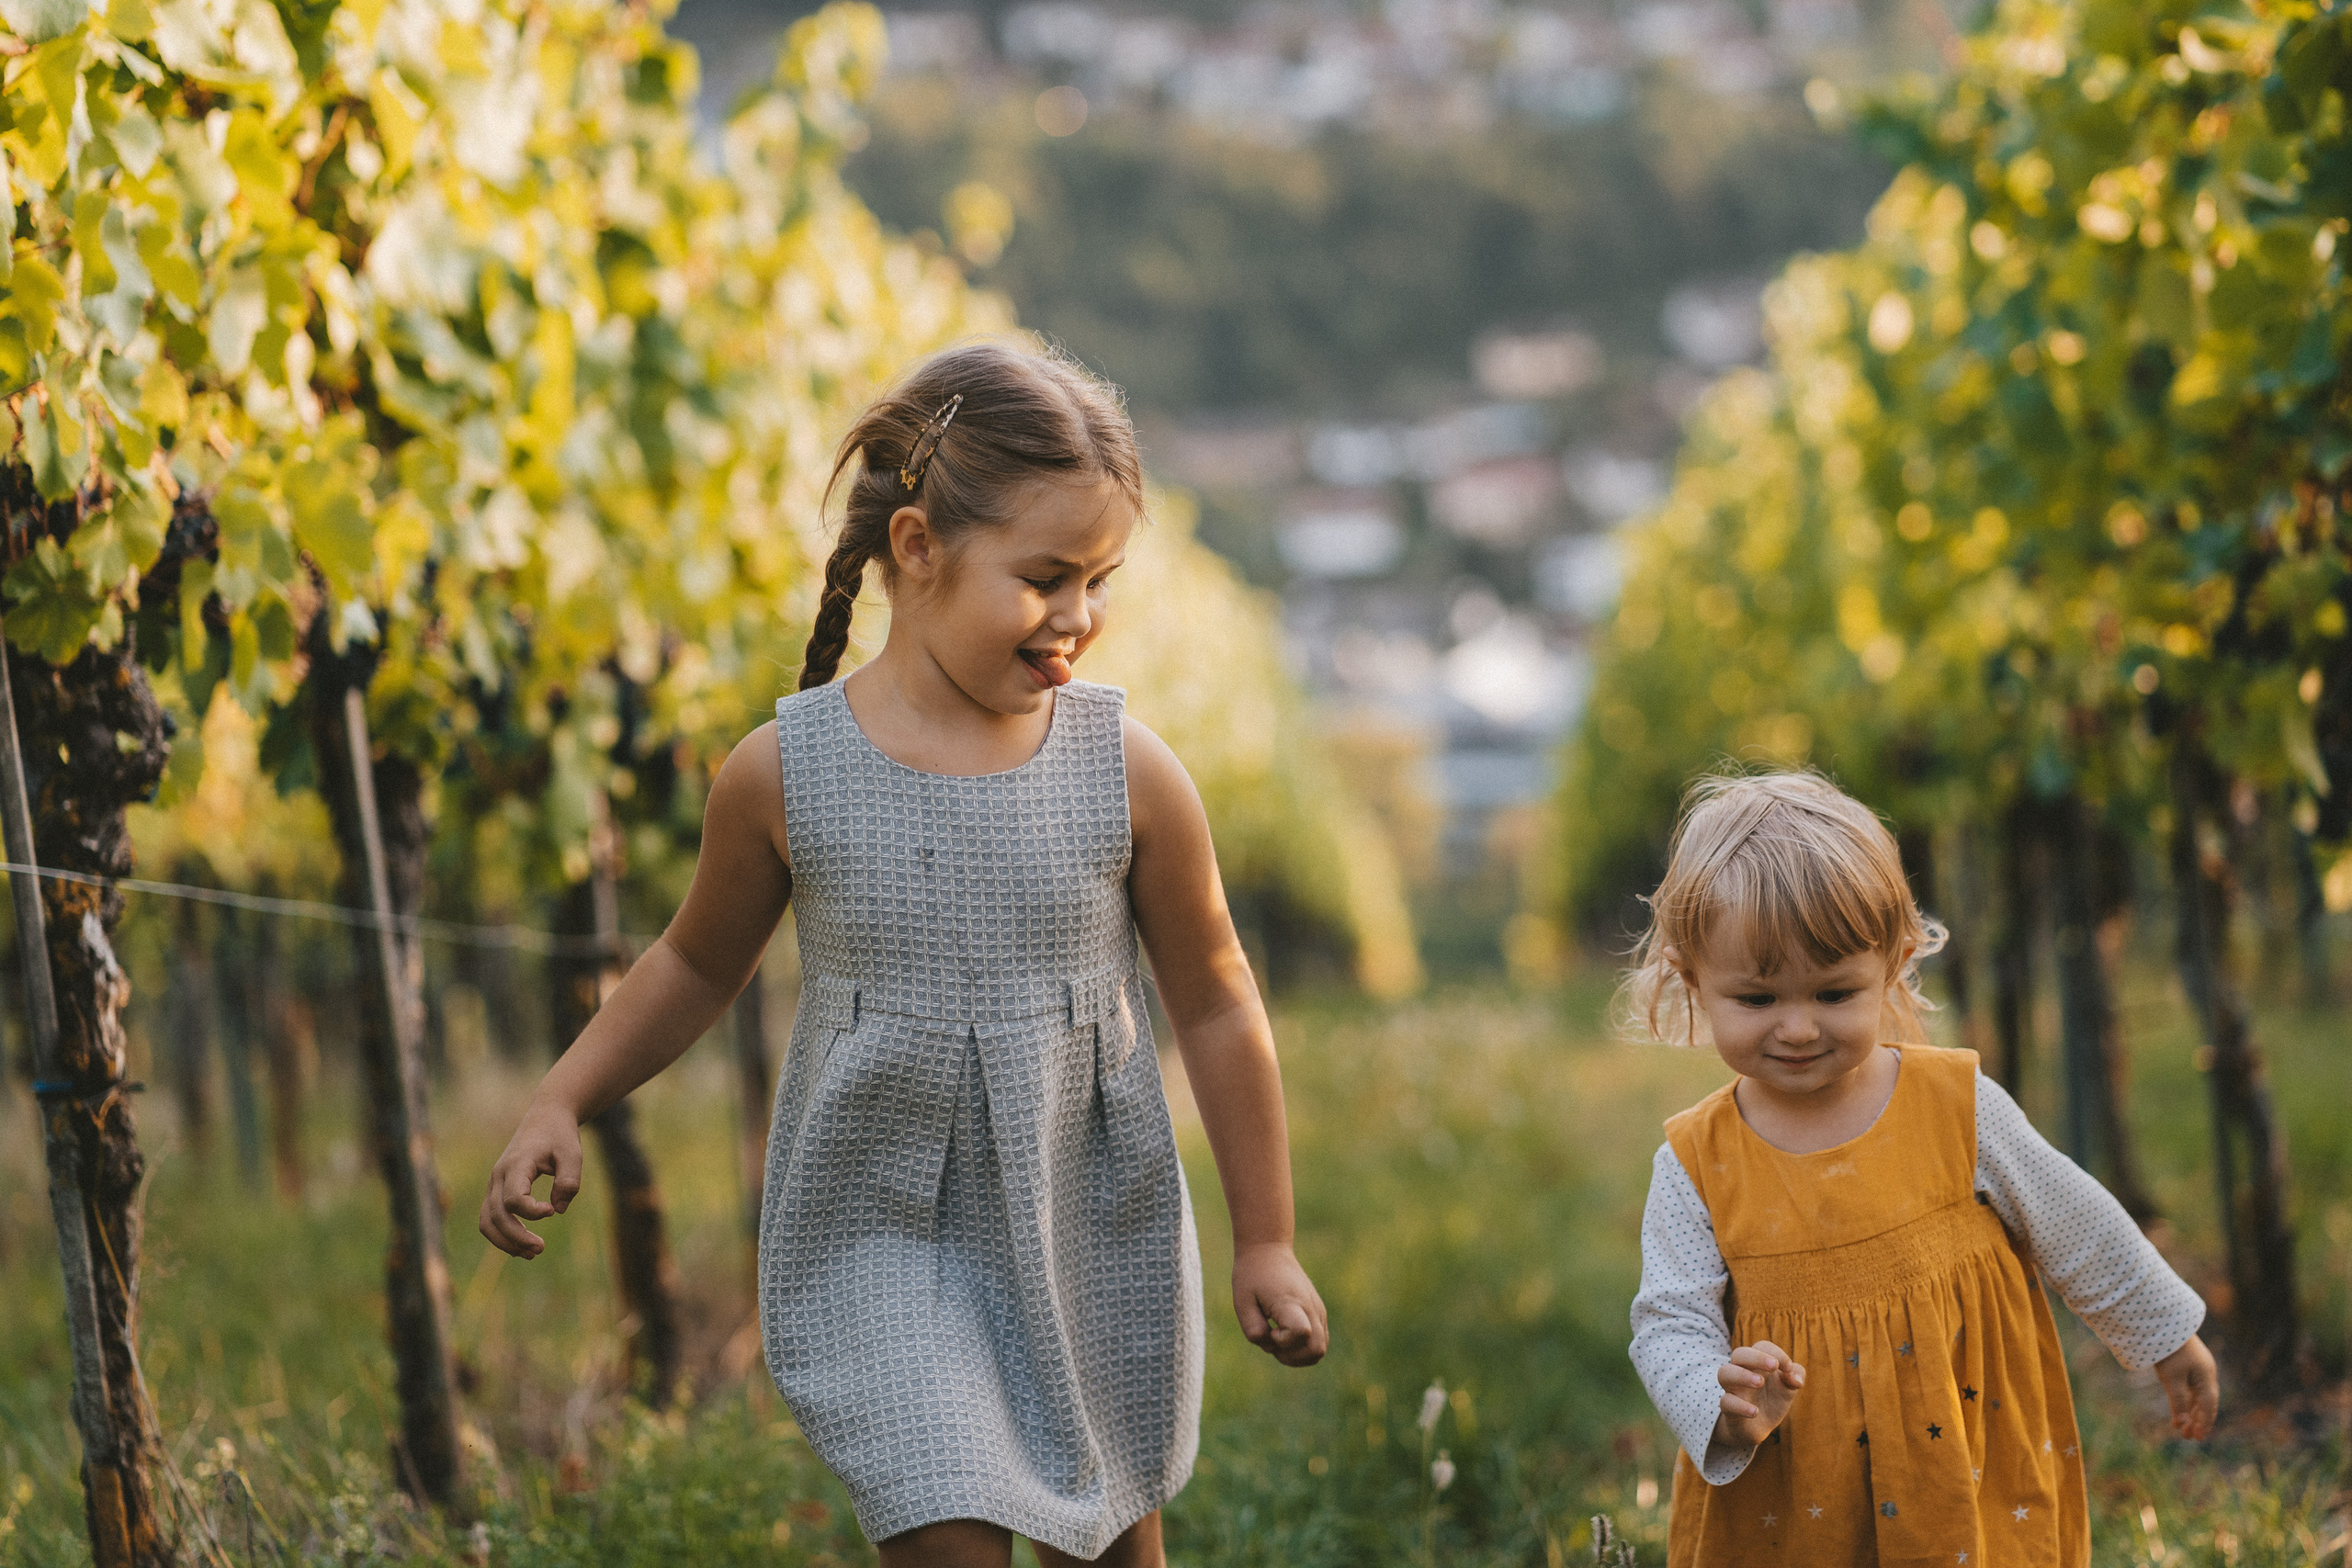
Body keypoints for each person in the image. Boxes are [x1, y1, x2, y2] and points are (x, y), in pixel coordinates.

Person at [479, 339, 1329, 1567]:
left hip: (1084, 1213)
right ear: (918, 548)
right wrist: (563, 1093)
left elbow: (1216, 999)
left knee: (1112, 1551)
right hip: (885, 1222)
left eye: (1100, 578)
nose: (1079, 616)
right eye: (1044, 577)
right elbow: (689, 965)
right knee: (945, 1524)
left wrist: (1266, 1233)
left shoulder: (1125, 770)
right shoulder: (787, 773)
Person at [1622, 770, 2218, 1568]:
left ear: (1894, 963)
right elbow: (1670, 1317)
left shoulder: (1955, 1104)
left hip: (1963, 1457)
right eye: (1758, 1000)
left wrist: (2162, 1332)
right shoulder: (1698, 1161)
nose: (1798, 1027)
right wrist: (1717, 1399)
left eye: (1835, 992)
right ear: (1692, 978)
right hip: (1797, 1488)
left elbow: (2071, 1216)